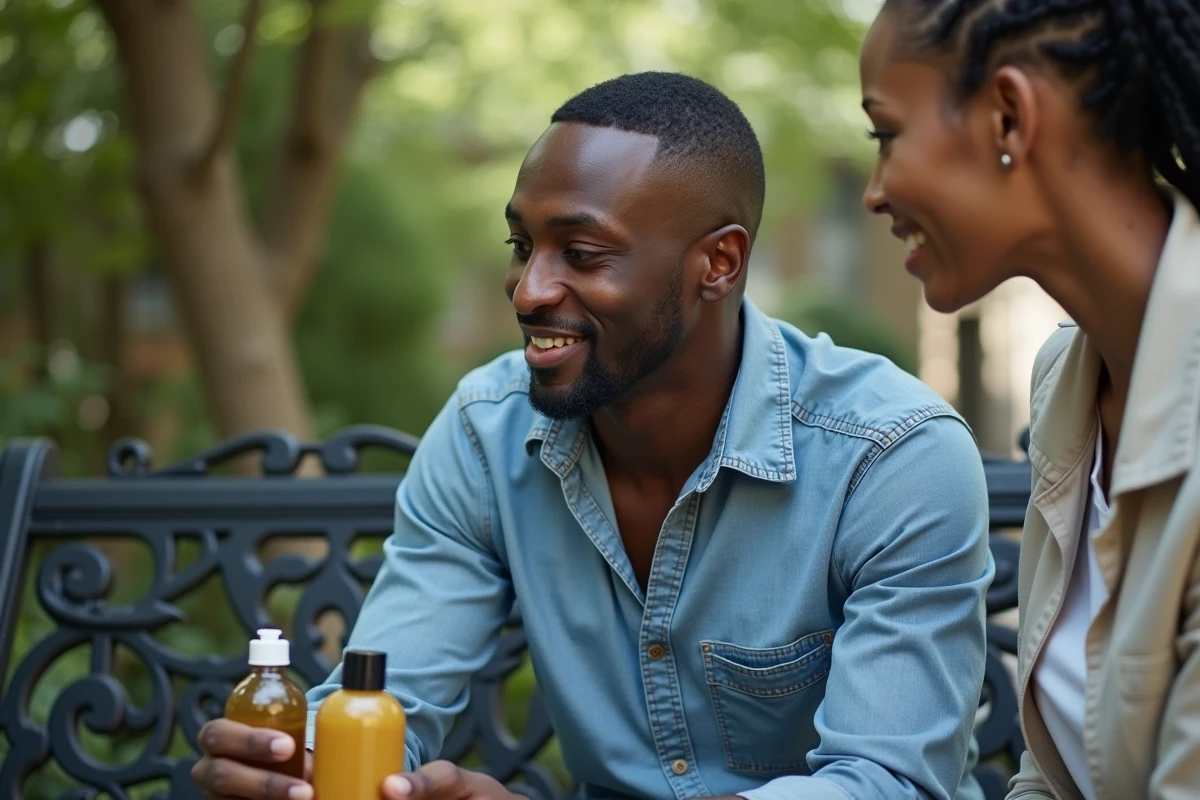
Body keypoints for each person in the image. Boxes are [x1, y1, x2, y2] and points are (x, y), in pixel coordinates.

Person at [191, 71, 994, 800]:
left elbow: (886, 783)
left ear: (718, 263)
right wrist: (307, 768)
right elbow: (392, 698)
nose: (529, 289)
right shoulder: (486, 433)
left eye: (581, 252)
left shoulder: (889, 454)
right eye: (522, 245)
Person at [859, 1, 1200, 797]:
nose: (875, 193)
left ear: (1009, 117)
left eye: (886, 134)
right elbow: (1052, 777)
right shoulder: (1066, 376)